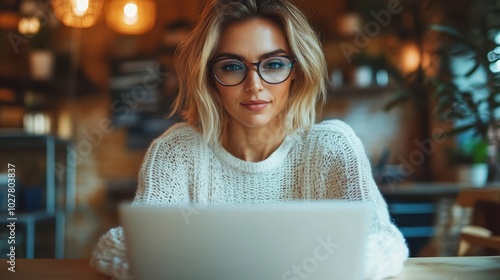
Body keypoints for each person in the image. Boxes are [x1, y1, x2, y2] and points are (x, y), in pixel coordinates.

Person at [90, 0, 409, 279]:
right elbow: (118, 247)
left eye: (273, 64)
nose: (254, 84)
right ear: (209, 77)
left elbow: (384, 242)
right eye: (232, 66)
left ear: (296, 71)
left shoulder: (332, 146)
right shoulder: (177, 151)